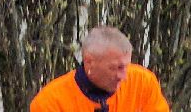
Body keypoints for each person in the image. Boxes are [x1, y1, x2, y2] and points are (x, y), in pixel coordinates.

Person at [31, 25, 169, 112]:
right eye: (117, 67)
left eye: (126, 66)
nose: (124, 76)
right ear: (89, 61)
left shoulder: (142, 82)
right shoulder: (50, 103)